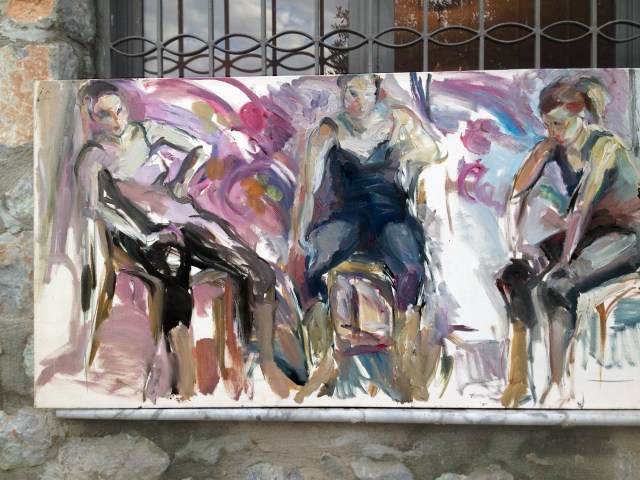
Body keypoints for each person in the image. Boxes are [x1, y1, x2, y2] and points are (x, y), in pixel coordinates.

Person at [75, 80, 293, 400]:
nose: (117, 119)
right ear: (94, 118)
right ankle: (178, 375)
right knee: (174, 269)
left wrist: (180, 181)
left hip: (182, 217)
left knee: (256, 270)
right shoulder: (93, 156)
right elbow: (103, 207)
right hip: (137, 232)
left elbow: (199, 148)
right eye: (105, 114)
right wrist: (148, 233)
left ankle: (263, 359)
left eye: (119, 110)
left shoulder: (147, 131)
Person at [292, 74, 445, 402]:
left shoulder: (397, 119)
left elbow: (436, 152)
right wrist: (300, 235)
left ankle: (404, 360)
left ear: (377, 92)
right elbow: (308, 188)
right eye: (351, 92)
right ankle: (324, 360)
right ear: (342, 91)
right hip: (349, 219)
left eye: (365, 92)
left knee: (412, 270)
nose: (358, 100)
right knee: (309, 265)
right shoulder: (328, 130)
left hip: (391, 217)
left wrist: (411, 154)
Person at [497, 77, 640, 406]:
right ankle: (519, 381)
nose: (554, 132)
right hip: (591, 232)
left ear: (581, 117)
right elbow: (517, 195)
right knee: (513, 275)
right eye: (548, 124)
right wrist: (518, 246)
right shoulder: (549, 147)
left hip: (628, 235)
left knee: (558, 285)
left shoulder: (604, 147)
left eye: (560, 124)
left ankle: (559, 385)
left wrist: (563, 261)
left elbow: (581, 209)